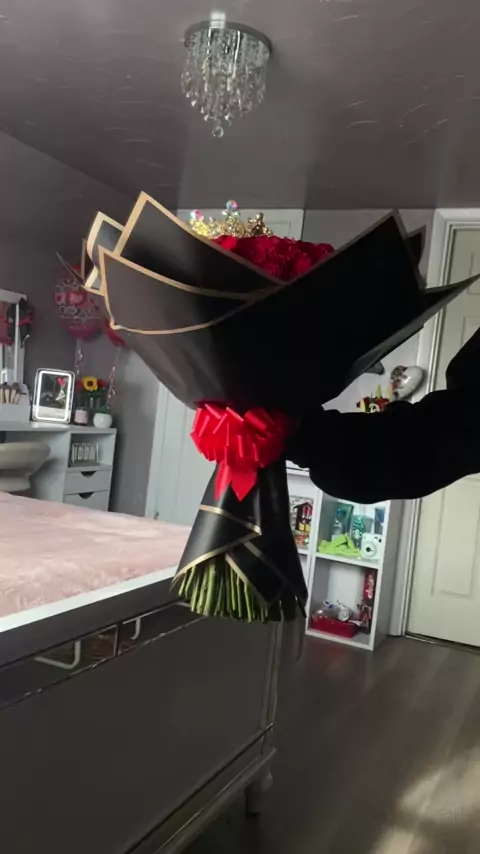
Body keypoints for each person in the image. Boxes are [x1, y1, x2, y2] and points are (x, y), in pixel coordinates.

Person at [287, 328, 480, 504]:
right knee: (464, 369)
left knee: (463, 370)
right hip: (461, 423)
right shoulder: (330, 444)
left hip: (462, 442)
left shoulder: (329, 476)